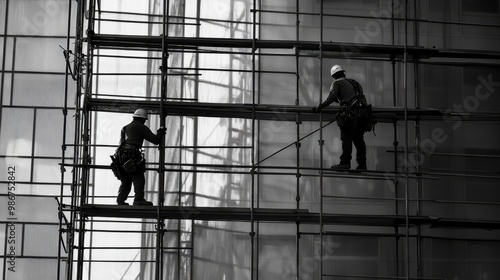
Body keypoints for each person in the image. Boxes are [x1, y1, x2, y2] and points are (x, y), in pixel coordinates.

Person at [312, 65, 368, 171]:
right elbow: (352, 95)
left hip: (351, 114)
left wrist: (320, 106)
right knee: (358, 140)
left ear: (333, 76)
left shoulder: (336, 83)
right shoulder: (355, 83)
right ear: (343, 73)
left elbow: (332, 96)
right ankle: (362, 164)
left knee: (346, 138)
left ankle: (345, 163)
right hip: (362, 113)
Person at [115, 109, 166, 205]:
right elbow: (155, 140)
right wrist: (160, 132)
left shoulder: (125, 128)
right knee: (139, 178)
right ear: (143, 119)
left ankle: (120, 200)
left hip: (120, 157)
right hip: (131, 156)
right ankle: (138, 199)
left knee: (126, 179)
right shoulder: (141, 127)